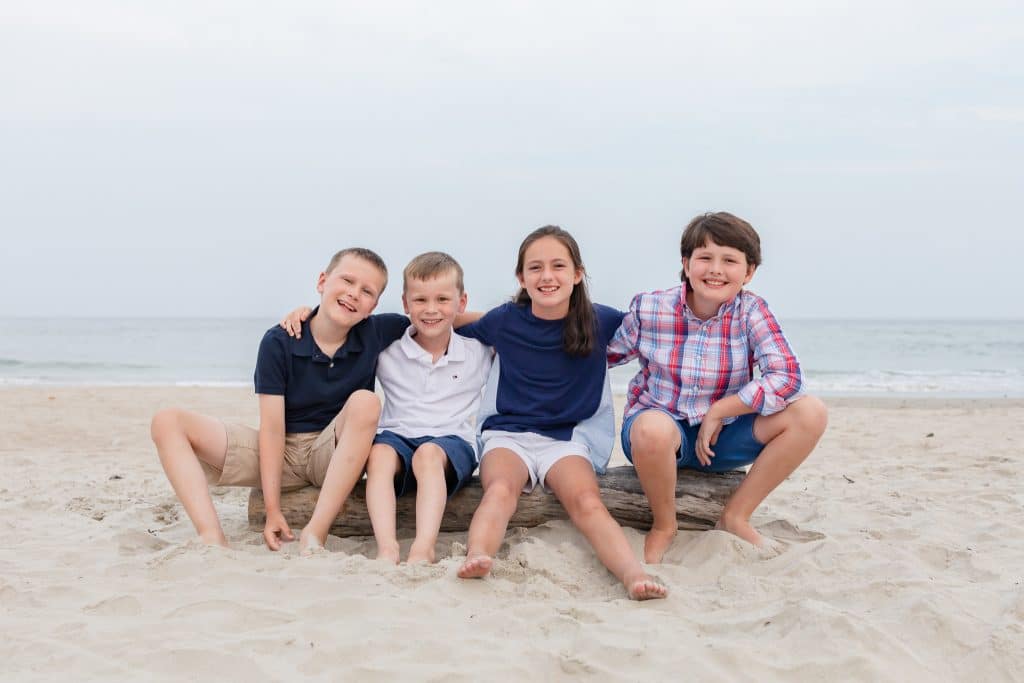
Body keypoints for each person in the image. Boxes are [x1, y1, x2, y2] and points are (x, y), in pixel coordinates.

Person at [455, 226, 667, 601]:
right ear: (521, 277)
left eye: (558, 266)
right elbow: (444, 318)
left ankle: (633, 574)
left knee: (586, 501)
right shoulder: (504, 320)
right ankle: (478, 555)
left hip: (569, 439)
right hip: (508, 434)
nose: (547, 276)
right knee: (500, 490)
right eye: (535, 268)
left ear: (577, 274)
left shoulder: (600, 320)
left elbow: (661, 328)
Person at [150, 248, 408, 552]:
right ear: (322, 281)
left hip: (332, 454)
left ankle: (316, 532)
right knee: (167, 421)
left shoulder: (376, 332)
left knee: (366, 401)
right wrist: (272, 511)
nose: (354, 294)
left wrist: (478, 319)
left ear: (373, 305)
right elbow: (272, 429)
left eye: (367, 291)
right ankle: (211, 537)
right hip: (280, 451)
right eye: (347, 281)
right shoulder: (279, 341)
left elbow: (440, 318)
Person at [607, 212, 829, 562]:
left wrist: (722, 410)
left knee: (810, 412)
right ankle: (665, 524)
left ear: (749, 271)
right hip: (661, 433)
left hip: (722, 438)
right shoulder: (651, 308)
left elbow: (787, 376)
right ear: (686, 262)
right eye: (705, 258)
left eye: (730, 260)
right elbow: (605, 355)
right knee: (652, 428)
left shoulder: (751, 311)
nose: (716, 269)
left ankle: (735, 517)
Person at [363, 252, 492, 564]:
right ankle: (388, 547)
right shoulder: (388, 350)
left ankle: (423, 547)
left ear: (461, 303)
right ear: (406, 304)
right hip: (396, 436)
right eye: (420, 300)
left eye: (443, 300)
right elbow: (337, 326)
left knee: (428, 455)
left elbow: (513, 321)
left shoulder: (479, 351)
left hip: (452, 443)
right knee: (377, 454)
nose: (431, 309)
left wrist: (471, 317)